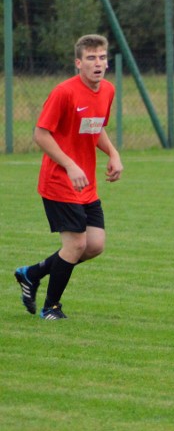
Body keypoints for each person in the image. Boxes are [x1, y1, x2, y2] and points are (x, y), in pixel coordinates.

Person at [13, 34, 123, 320]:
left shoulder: (108, 91)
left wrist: (113, 153)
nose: (97, 63)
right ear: (78, 63)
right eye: (90, 58)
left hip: (85, 183)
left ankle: (31, 274)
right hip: (59, 182)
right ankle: (51, 308)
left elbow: (96, 127)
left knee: (95, 245)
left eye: (101, 57)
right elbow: (40, 134)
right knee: (75, 245)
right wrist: (70, 165)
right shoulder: (64, 92)